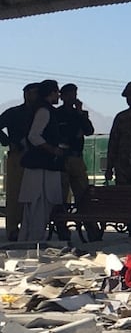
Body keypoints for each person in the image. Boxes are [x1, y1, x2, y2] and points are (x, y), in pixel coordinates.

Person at [18, 80, 65, 241]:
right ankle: (33, 242)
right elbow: (34, 136)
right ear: (51, 93)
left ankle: (28, 241)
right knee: (39, 207)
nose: (58, 95)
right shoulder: (44, 111)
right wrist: (52, 149)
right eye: (57, 92)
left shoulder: (37, 109)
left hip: (39, 166)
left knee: (34, 209)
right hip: (42, 167)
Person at [0, 83, 38, 240]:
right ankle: (12, 229)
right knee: (14, 194)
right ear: (26, 94)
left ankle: (30, 227)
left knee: (34, 195)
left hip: (37, 158)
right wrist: (8, 141)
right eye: (33, 93)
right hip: (18, 156)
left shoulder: (41, 113)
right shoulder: (14, 113)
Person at [54, 83, 94, 204]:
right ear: (62, 97)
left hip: (76, 157)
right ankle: (61, 215)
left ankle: (84, 214)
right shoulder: (56, 114)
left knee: (82, 192)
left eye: (74, 95)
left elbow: (89, 131)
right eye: (69, 95)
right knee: (60, 193)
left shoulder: (80, 114)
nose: (73, 98)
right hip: (61, 157)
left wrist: (80, 113)